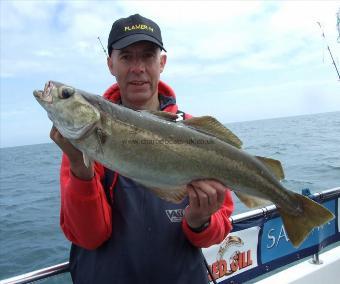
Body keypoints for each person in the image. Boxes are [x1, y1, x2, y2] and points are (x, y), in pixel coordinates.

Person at [51, 14, 234, 284]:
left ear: (162, 63)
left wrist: (200, 219)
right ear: (110, 64)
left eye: (147, 56)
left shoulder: (196, 132)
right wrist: (80, 167)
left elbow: (218, 231)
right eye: (126, 57)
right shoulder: (83, 143)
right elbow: (89, 236)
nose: (137, 68)